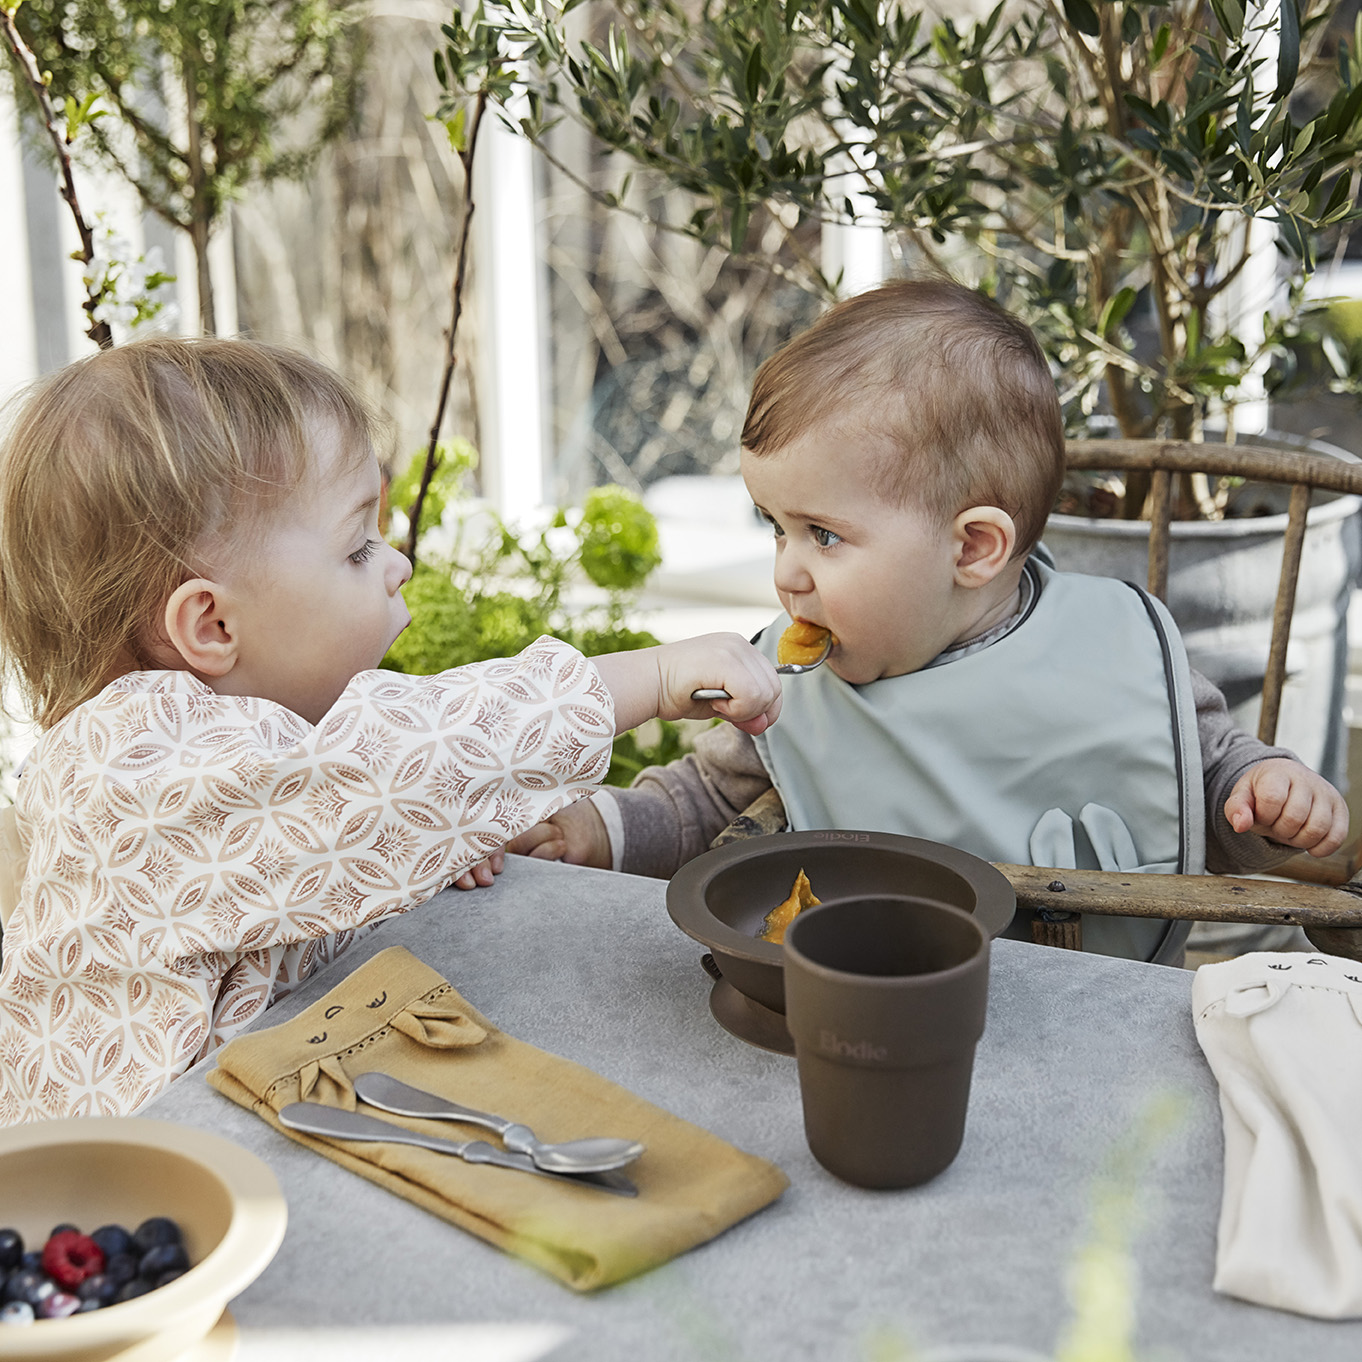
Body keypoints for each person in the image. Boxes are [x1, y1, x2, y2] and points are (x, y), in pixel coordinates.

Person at [0, 337, 780, 1123]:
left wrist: (418, 842)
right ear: (211, 623)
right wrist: (643, 678)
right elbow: (393, 761)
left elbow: (295, 856)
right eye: (356, 547)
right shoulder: (137, 766)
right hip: (113, 1192)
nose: (397, 563)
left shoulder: (236, 750)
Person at [507, 277, 1350, 962]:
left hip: (1103, 1013)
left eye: (824, 535)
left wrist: (1261, 795)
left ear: (974, 548)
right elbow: (701, 804)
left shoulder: (1116, 646)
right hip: (864, 1000)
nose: (786, 571)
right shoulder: (788, 686)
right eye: (776, 526)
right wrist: (601, 828)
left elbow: (1195, 780)